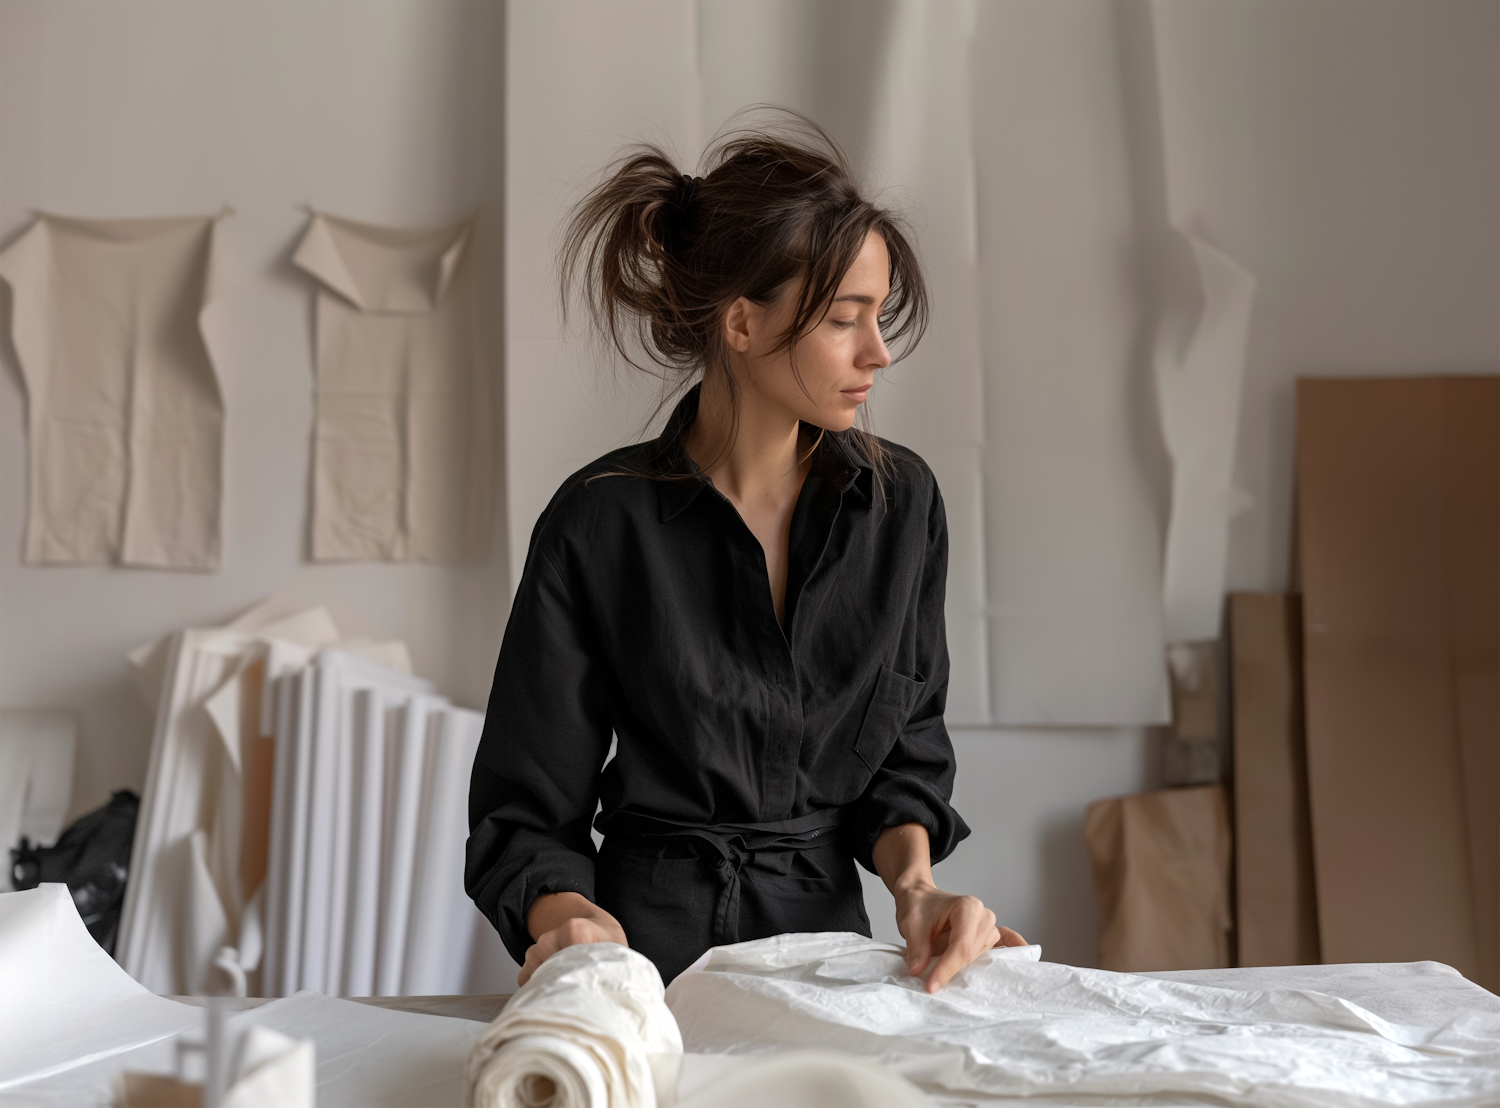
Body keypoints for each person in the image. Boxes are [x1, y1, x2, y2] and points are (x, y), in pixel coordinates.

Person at [466, 115, 1026, 991]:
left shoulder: (898, 506)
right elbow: (525, 812)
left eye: (879, 317)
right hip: (640, 961)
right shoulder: (598, 523)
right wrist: (572, 926)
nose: (878, 352)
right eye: (847, 319)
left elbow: (906, 756)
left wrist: (916, 890)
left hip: (831, 964)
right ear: (740, 324)